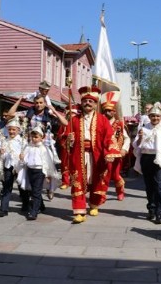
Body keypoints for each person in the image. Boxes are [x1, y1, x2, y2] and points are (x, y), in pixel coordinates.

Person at [64, 85, 119, 224]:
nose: (87, 103)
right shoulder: (74, 120)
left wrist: (111, 152)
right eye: (85, 101)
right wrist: (68, 139)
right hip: (78, 154)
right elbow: (64, 138)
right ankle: (79, 211)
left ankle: (94, 204)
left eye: (91, 101)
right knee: (78, 181)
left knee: (97, 179)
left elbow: (109, 137)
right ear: (81, 103)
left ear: (95, 104)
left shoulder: (102, 119)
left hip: (98, 155)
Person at [17, 125, 59, 220]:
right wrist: (22, 159)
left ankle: (34, 212)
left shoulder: (44, 149)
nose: (34, 139)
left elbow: (47, 162)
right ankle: (41, 206)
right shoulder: (28, 147)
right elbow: (25, 161)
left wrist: (48, 174)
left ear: (41, 137)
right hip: (30, 170)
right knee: (33, 190)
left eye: (36, 137)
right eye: (32, 137)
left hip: (40, 172)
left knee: (36, 191)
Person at [0, 117, 28, 217]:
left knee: (22, 187)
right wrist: (2, 153)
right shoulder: (5, 141)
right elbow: (3, 156)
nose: (11, 131)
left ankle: (25, 204)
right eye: (10, 129)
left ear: (18, 130)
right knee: (7, 187)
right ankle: (4, 209)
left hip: (19, 166)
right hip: (8, 166)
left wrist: (23, 157)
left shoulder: (22, 141)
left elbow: (26, 152)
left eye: (14, 129)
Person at [101, 91, 129, 201]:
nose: (108, 112)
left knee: (116, 175)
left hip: (116, 154)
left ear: (114, 111)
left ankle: (120, 191)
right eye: (106, 110)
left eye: (110, 110)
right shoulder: (100, 123)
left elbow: (127, 138)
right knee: (103, 175)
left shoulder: (120, 124)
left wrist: (124, 149)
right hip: (103, 153)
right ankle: (101, 195)